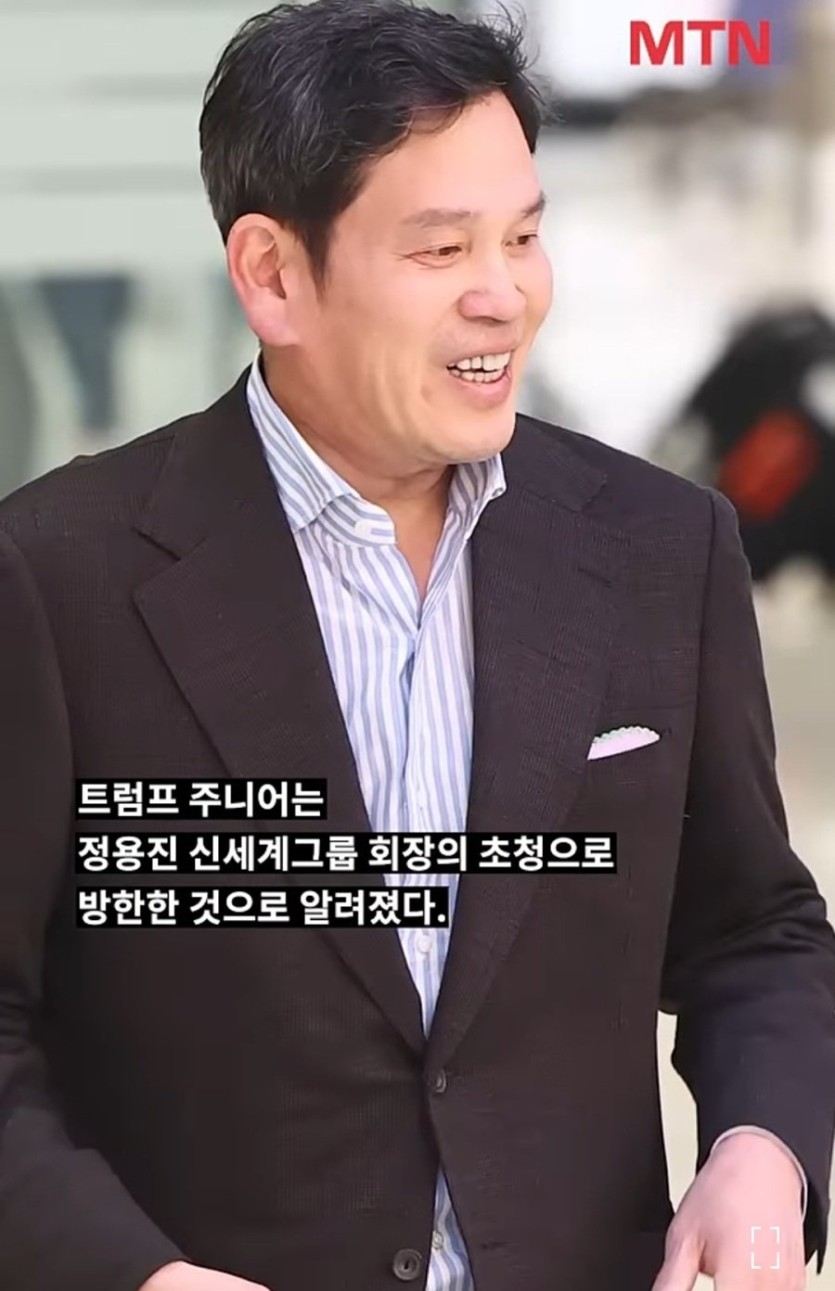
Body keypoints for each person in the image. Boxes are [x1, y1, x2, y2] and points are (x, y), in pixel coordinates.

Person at [1, 2, 834, 1289]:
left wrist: (760, 1148)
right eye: (442, 247)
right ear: (273, 275)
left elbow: (753, 930)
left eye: (523, 235)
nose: (504, 293)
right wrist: (134, 1274)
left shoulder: (661, 547)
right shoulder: (57, 576)